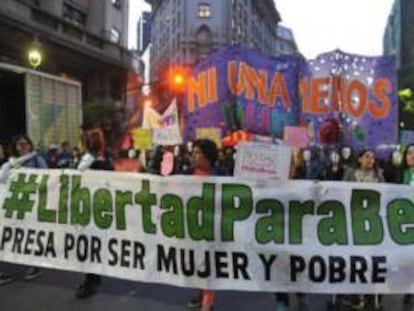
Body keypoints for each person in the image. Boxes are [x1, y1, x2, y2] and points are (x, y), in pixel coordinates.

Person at [0, 134, 48, 286]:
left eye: (25, 144)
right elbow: (2, 179)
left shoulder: (37, 160)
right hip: (15, 205)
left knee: (32, 235)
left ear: (30, 145)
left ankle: (34, 266)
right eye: (20, 144)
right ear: (15, 146)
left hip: (32, 205)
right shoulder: (9, 163)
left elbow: (47, 179)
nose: (23, 147)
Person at [342, 148, 384, 310]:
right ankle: (354, 295)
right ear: (359, 159)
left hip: (372, 225)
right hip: (354, 223)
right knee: (355, 261)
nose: (370, 160)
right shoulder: (350, 175)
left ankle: (371, 296)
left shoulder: (378, 176)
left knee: (372, 261)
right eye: (367, 157)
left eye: (373, 158)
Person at [75, 131, 111, 298]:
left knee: (89, 246)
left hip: (91, 209)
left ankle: (91, 281)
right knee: (93, 245)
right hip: (98, 209)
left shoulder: (90, 162)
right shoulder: (103, 161)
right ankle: (94, 278)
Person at [187, 139, 218, 311]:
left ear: (208, 158)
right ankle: (200, 294)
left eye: (198, 153)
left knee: (208, 268)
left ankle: (208, 304)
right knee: (197, 264)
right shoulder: (186, 174)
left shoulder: (219, 179)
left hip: (209, 231)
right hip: (192, 230)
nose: (193, 155)